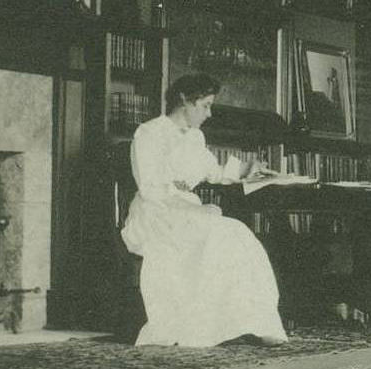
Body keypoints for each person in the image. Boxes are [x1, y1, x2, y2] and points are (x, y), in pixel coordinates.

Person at [121, 74, 288, 347]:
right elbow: (151, 188)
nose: (209, 114)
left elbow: (216, 172)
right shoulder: (149, 133)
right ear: (185, 101)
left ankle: (252, 320)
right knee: (217, 233)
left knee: (237, 233)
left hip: (187, 212)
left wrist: (250, 170)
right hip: (156, 213)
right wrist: (194, 211)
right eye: (206, 105)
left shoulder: (195, 137)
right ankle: (205, 326)